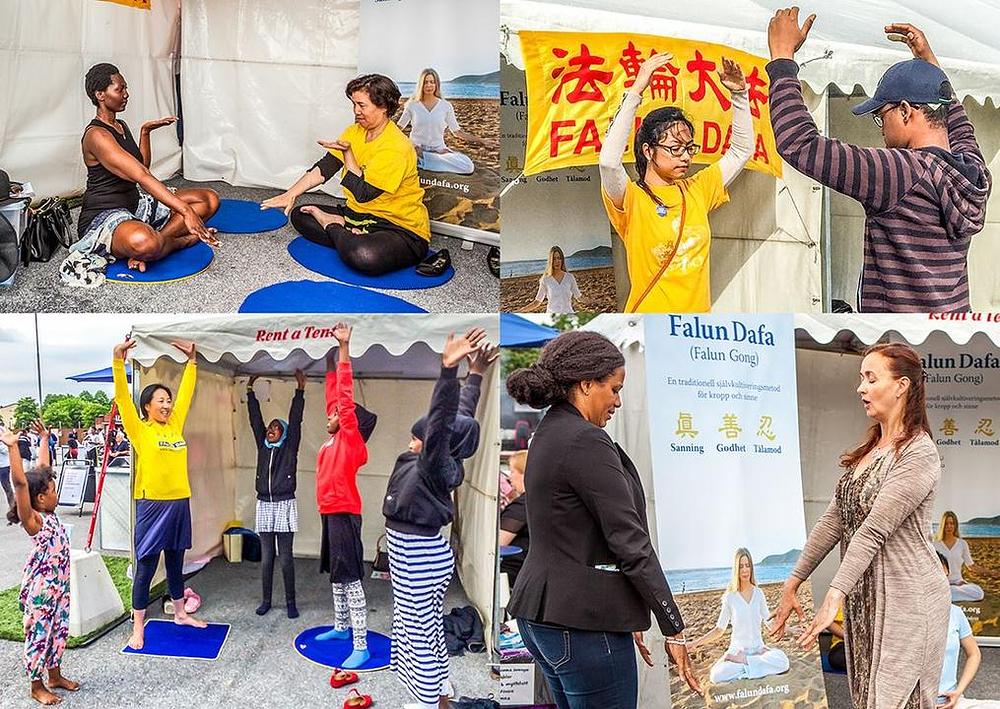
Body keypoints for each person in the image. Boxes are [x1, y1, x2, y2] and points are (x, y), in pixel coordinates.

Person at [505, 331, 700, 707]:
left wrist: (623, 613)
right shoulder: (584, 440)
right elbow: (629, 542)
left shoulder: (548, 432)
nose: (618, 401)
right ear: (586, 383)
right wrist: (673, 627)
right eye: (614, 389)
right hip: (581, 625)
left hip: (544, 616)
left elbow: (575, 531)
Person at [765, 11, 991, 312]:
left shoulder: (899, 173)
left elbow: (799, 143)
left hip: (898, 344)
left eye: (881, 115)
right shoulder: (973, 172)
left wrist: (782, 60)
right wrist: (929, 65)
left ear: (906, 111)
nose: (881, 128)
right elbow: (959, 125)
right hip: (948, 341)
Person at [771, 342, 950, 708]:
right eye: (860, 378)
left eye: (871, 378)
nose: (861, 387)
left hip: (908, 600)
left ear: (901, 386)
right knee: (866, 698)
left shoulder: (919, 452)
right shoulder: (870, 450)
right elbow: (833, 520)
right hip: (865, 600)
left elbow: (874, 529)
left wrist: (833, 594)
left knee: (896, 700)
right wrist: (793, 581)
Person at [382, 328, 495, 709]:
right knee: (423, 627)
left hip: (416, 553)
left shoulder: (435, 464)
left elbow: (446, 419)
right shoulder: (439, 459)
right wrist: (473, 375)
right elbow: (459, 415)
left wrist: (447, 371)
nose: (415, 438)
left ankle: (431, 702)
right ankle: (441, 696)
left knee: (417, 632)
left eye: (422, 435)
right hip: (418, 553)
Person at [599, 52, 752, 313]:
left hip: (697, 326)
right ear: (648, 151)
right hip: (648, 324)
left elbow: (741, 151)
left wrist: (740, 96)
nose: (685, 157)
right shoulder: (630, 197)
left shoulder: (698, 189)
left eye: (689, 148)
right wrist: (637, 89)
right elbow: (609, 162)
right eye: (674, 148)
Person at [63, 63, 220, 285]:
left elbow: (140, 165)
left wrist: (145, 132)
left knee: (209, 199)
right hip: (104, 215)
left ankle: (158, 243)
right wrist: (185, 211)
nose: (126, 95)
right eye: (120, 89)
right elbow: (141, 176)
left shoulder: (120, 125)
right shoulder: (96, 135)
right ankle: (180, 242)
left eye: (126, 88)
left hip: (135, 206)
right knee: (145, 241)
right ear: (100, 95)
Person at [261, 74, 432, 276]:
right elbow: (325, 167)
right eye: (353, 104)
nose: (356, 111)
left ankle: (333, 226)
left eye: (362, 105)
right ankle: (349, 234)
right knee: (299, 215)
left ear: (384, 106)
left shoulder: (396, 147)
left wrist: (348, 154)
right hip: (357, 216)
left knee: (363, 255)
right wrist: (290, 194)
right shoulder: (354, 131)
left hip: (399, 227)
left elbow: (363, 194)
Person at [113, 336, 208, 651]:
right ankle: (138, 626)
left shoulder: (175, 425)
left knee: (176, 564)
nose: (167, 404)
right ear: (147, 406)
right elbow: (123, 399)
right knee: (146, 568)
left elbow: (186, 393)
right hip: (152, 506)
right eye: (160, 401)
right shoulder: (140, 430)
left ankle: (180, 614)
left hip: (179, 503)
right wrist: (118, 360)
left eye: (168, 400)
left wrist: (192, 362)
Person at [314, 323, 379, 670]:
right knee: (336, 574)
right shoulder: (332, 438)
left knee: (350, 577)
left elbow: (343, 397)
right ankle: (341, 628)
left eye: (337, 413)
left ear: (350, 421)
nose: (331, 413)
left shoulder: (350, 439)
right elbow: (334, 397)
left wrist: (343, 349)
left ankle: (361, 644)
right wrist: (328, 365)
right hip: (331, 513)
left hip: (344, 513)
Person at [3, 420, 79, 705]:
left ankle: (55, 675)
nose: (56, 492)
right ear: (41, 498)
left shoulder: (51, 512)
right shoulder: (34, 521)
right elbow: (22, 483)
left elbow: (41, 471)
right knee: (39, 635)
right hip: (41, 592)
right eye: (53, 489)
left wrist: (45, 439)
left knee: (58, 631)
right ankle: (36, 686)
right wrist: (13, 448)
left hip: (60, 587)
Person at [246, 369, 307, 619]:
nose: (270, 430)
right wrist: (250, 393)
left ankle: (291, 602)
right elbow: (255, 421)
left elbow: (296, 419)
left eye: (275, 428)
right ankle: (267, 600)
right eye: (269, 428)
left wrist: (300, 391)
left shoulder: (289, 447)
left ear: (283, 432)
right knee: (267, 557)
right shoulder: (263, 446)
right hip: (264, 504)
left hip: (284, 504)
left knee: (286, 558)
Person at [687, 548, 789, 684]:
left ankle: (746, 663)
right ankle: (754, 666)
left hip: (759, 650)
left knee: (783, 661)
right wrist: (695, 643)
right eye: (741, 566)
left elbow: (769, 623)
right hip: (737, 652)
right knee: (716, 675)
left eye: (748, 565)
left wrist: (789, 629)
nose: (745, 570)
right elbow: (719, 630)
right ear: (736, 569)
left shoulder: (759, 593)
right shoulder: (730, 597)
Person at [397, 68, 497, 175]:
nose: (429, 85)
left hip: (439, 150)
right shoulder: (412, 105)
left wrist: (482, 141)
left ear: (437, 84)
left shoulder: (446, 106)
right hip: (416, 149)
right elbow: (398, 129)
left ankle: (425, 160)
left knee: (468, 166)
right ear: (421, 84)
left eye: (432, 82)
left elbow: (457, 132)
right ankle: (423, 159)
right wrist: (412, 146)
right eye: (426, 82)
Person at [936, 553, 999, 708]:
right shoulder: (906, 616)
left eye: (946, 577)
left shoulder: (955, 613)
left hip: (950, 702)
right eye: (937, 576)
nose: (942, 583)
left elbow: (974, 653)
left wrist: (958, 692)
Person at [935, 511, 997, 603]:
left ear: (955, 525)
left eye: (951, 523)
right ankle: (949, 593)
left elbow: (971, 566)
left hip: (959, 584)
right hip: (942, 584)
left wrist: (990, 573)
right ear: (942, 525)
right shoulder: (935, 544)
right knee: (939, 592)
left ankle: (949, 594)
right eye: (946, 524)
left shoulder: (962, 544)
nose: (949, 526)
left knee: (979, 593)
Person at [519, 247, 585, 315]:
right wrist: (521, 311)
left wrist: (594, 301)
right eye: (554, 259)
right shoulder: (545, 280)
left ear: (562, 260)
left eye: (559, 258)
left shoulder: (570, 277)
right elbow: (537, 302)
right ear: (550, 261)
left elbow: (579, 297)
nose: (557, 261)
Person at [498, 450, 528, 588]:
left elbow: (498, 544)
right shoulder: (540, 499)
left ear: (524, 474)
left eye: (512, 472)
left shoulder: (521, 506)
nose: (509, 478)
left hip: (514, 571)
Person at [826, 607, 846, 672]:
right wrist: (848, 637)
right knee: (837, 658)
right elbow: (829, 624)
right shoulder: (841, 598)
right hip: (844, 641)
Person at [0, 425, 13, 509]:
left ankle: (13, 506)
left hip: (3, 466)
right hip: (3, 465)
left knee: (6, 486)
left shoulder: (2, 429)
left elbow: (6, 449)